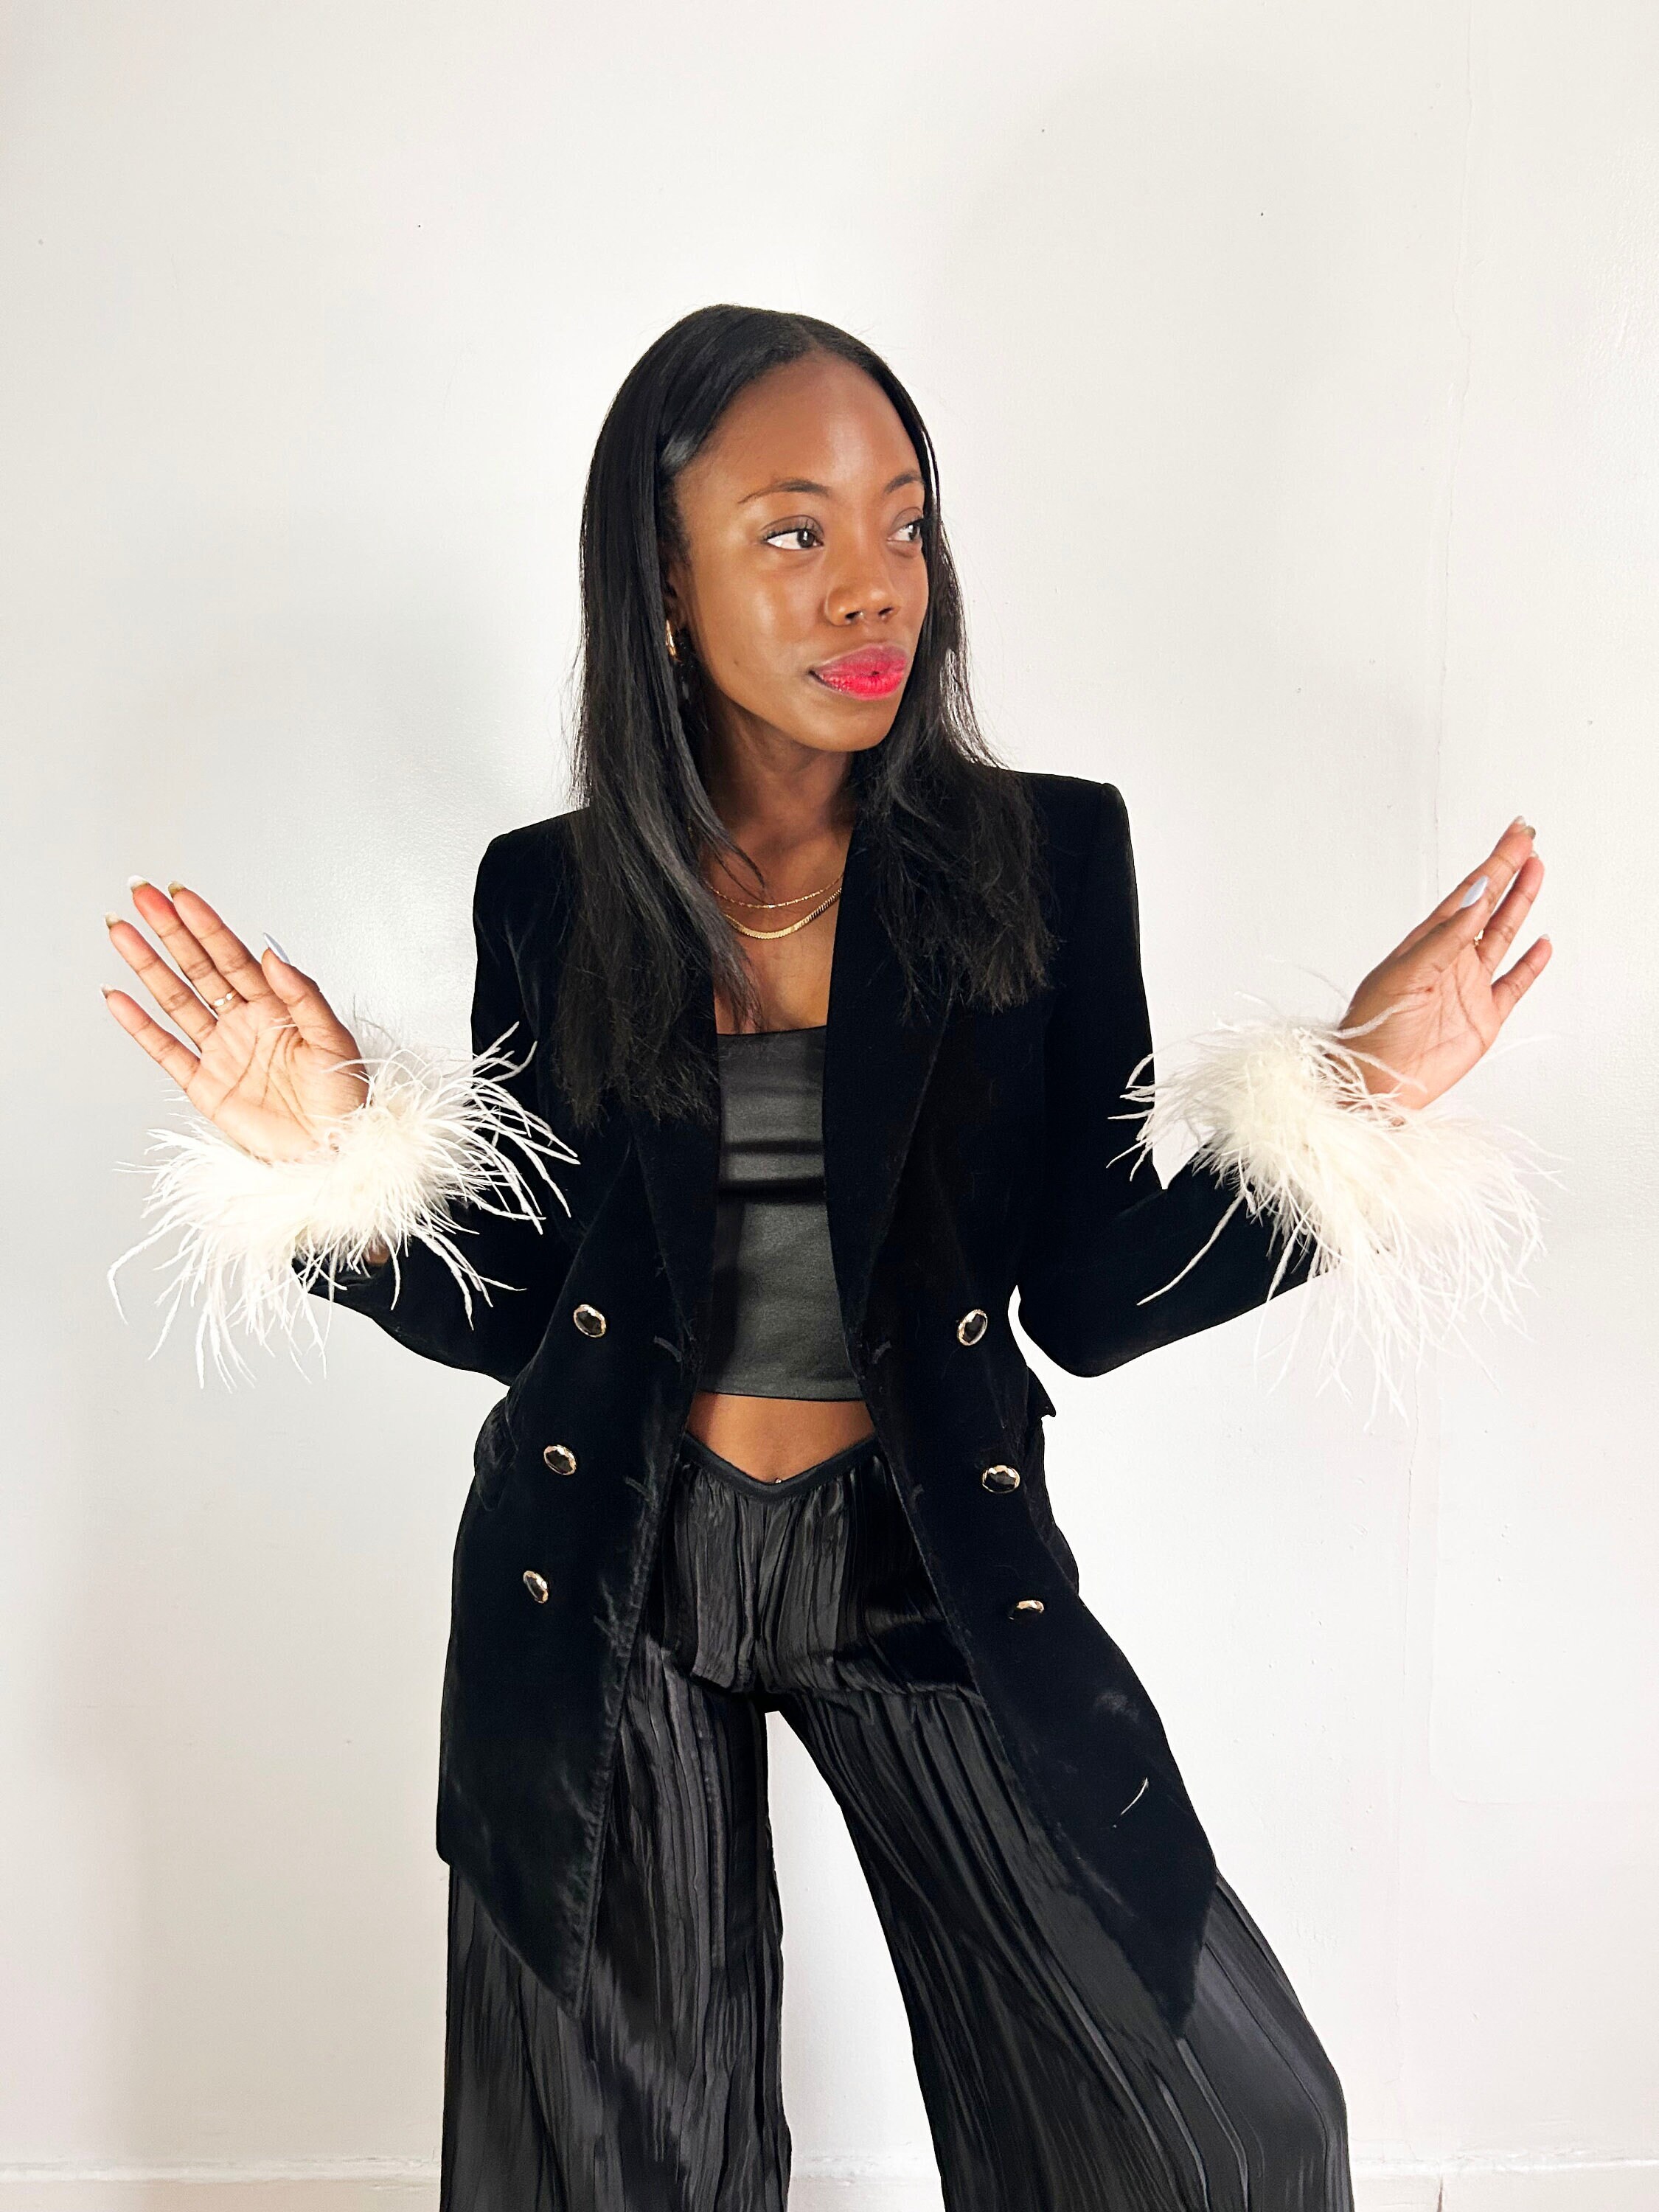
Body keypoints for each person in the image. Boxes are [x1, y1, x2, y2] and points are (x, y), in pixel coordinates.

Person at [103, 305, 1551, 2211]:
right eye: (794, 530)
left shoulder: (1045, 859)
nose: (873, 585)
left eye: (905, 522)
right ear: (663, 582)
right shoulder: (552, 889)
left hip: (918, 1549)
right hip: (607, 1568)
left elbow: (1093, 1293)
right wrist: (333, 1165)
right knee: (621, 2171)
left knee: (1222, 2132)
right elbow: (527, 1305)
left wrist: (1358, 1091)